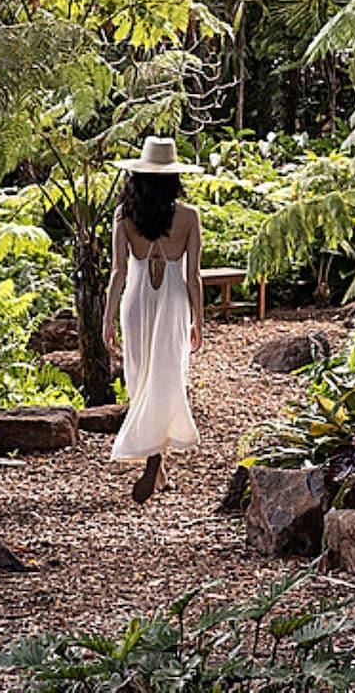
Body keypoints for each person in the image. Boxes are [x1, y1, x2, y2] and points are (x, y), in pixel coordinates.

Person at [101, 134, 203, 502]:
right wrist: (198, 322)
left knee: (141, 379)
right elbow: (193, 278)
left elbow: (118, 273)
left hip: (136, 301)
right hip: (174, 301)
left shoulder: (124, 216)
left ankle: (156, 464)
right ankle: (157, 463)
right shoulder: (190, 217)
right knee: (168, 376)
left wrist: (106, 320)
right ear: (174, 178)